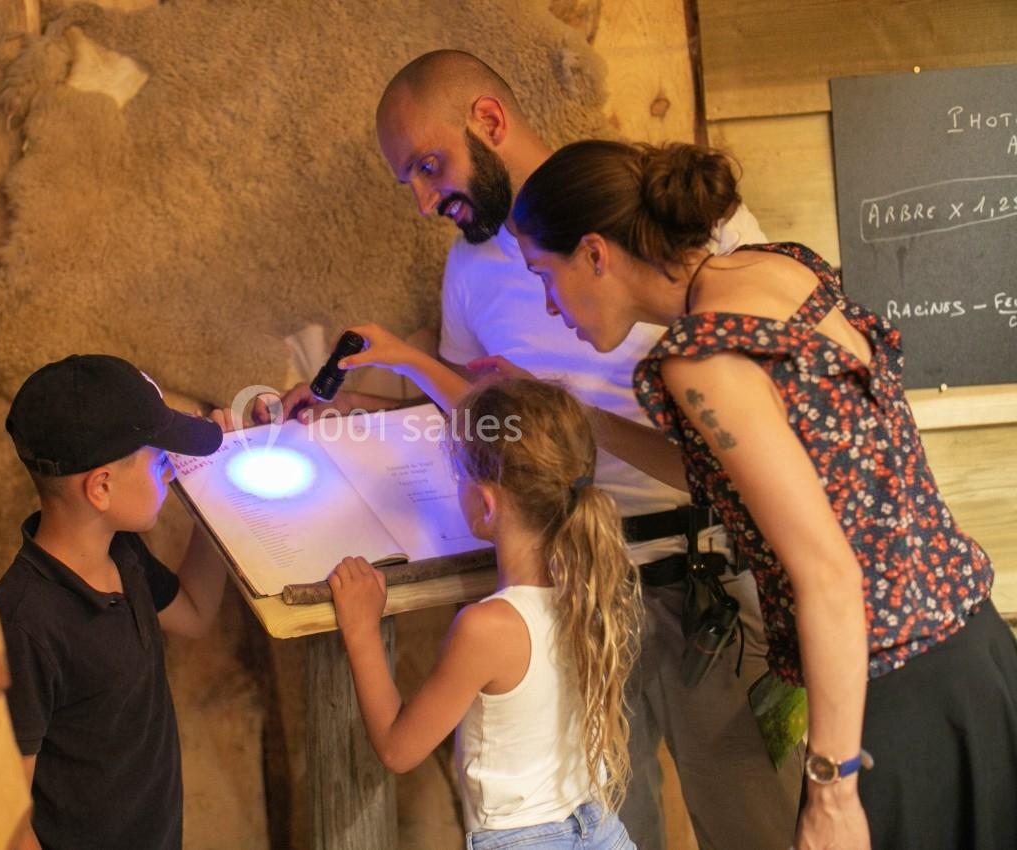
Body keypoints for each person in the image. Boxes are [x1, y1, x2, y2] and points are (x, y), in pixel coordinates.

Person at [278, 50, 802, 849]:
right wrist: (364, 390)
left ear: (488, 121)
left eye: (430, 165)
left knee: (761, 824)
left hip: (708, 582)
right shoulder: (467, 271)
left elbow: (775, 403)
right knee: (609, 827)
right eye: (408, 182)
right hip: (573, 599)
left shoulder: (663, 214)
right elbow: (490, 407)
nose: (424, 200)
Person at [510, 137, 1017, 850]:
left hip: (894, 695)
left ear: (594, 252)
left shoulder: (701, 357)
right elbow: (752, 480)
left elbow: (829, 574)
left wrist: (833, 792)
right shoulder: (776, 270)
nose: (548, 303)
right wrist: (585, 423)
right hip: (975, 656)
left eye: (543, 273)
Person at [329, 377, 641, 850]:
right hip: (602, 829)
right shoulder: (595, 585)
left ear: (486, 503)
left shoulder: (487, 627)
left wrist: (360, 629)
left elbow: (398, 748)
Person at [0, 354, 228, 850]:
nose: (169, 472)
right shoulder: (25, 623)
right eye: (160, 460)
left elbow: (196, 613)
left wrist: (216, 489)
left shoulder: (124, 556)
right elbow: (5, 813)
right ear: (101, 486)